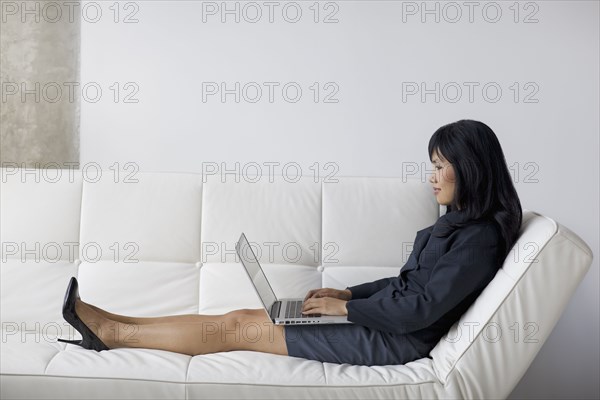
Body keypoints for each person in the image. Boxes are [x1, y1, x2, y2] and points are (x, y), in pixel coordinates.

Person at [58, 119, 522, 366]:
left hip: (394, 341)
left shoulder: (479, 239)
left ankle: (114, 333)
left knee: (239, 328)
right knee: (239, 316)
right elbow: (408, 285)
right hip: (382, 323)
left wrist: (346, 310)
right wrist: (348, 294)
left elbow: (419, 311)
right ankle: (113, 323)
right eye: (432, 164)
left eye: (441, 165)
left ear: (472, 167)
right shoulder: (461, 224)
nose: (432, 176)